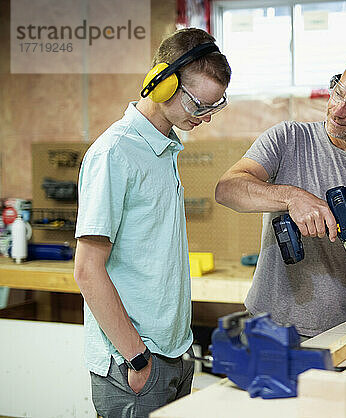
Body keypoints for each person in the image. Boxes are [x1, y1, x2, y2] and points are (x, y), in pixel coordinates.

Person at [74, 28, 231, 417]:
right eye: (198, 105)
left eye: (215, 106)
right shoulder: (115, 152)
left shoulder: (163, 149)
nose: (206, 117)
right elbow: (87, 270)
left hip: (175, 352)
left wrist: (178, 350)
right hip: (135, 364)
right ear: (162, 84)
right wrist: (138, 358)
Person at [215, 51, 346, 338]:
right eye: (338, 92)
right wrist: (292, 197)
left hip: (342, 332)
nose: (337, 110)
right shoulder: (288, 139)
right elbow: (227, 189)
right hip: (267, 327)